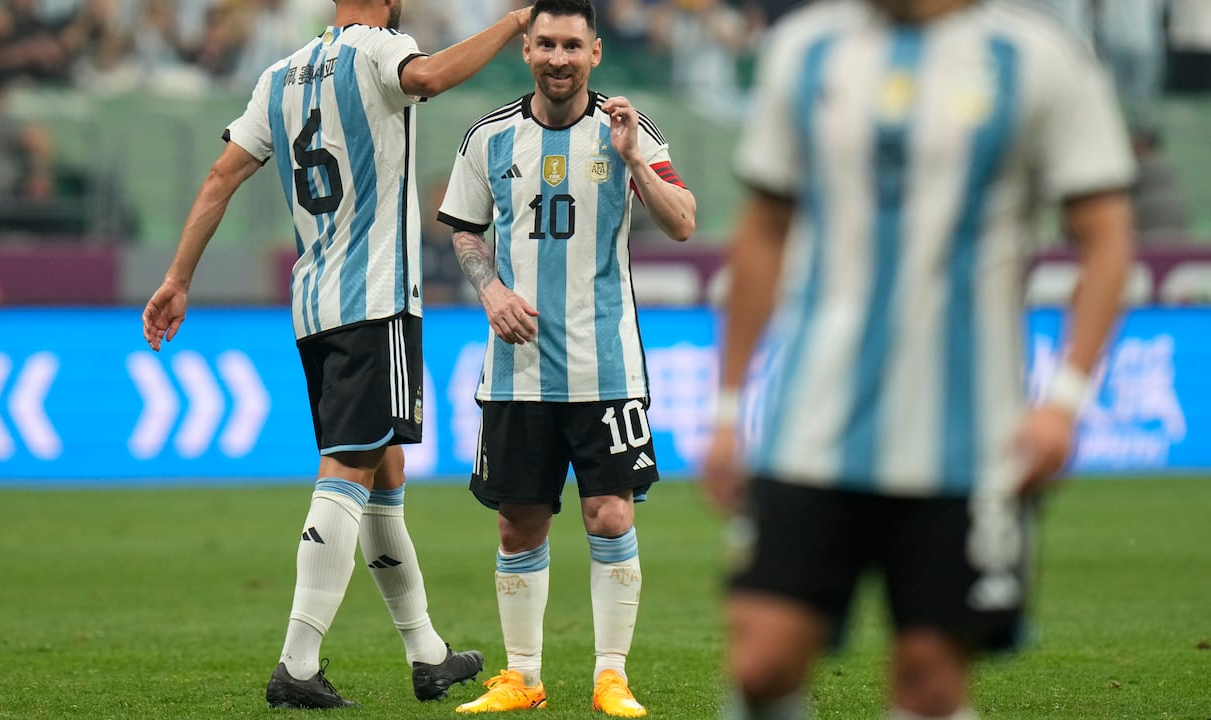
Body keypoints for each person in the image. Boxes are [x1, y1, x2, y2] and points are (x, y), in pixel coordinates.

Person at [701, 1, 1136, 719]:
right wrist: (725, 409)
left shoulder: (1038, 58)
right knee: (761, 658)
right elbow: (764, 230)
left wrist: (1065, 399)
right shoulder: (805, 50)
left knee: (930, 680)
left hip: (970, 437)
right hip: (811, 420)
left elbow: (1106, 233)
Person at [140, 0, 534, 710]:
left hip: (313, 304)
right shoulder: (381, 49)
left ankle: (428, 653)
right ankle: (297, 662)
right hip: (376, 299)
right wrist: (513, 23)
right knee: (350, 468)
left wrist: (176, 279)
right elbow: (433, 76)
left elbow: (218, 178)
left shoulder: (280, 75)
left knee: (384, 470)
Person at [436, 0, 696, 715]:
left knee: (610, 515)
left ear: (596, 53)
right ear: (526, 50)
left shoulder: (629, 130)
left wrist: (634, 158)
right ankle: (523, 677)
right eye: (545, 43)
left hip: (605, 367)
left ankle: (611, 675)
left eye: (571, 46)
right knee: (518, 521)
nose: (557, 57)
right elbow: (463, 230)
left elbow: (683, 222)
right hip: (517, 371)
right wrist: (490, 293)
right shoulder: (488, 138)